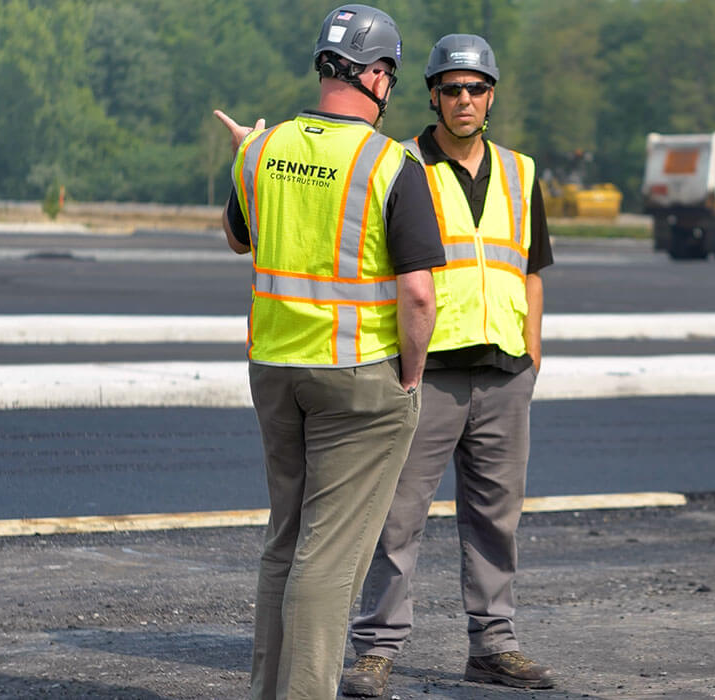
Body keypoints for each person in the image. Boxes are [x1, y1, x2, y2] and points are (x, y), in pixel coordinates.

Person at [214, 5, 445, 698]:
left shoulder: (260, 149)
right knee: (331, 552)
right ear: (375, 75)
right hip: (358, 380)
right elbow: (420, 296)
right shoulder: (391, 163)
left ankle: (268, 688)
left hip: (276, 371)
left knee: (285, 537)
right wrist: (411, 371)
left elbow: (238, 239)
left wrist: (245, 156)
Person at [341, 33, 555, 696]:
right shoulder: (396, 164)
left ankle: (494, 645)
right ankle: (375, 650)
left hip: (504, 371)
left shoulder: (521, 172)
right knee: (396, 516)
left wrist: (534, 348)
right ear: (432, 94)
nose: (465, 99)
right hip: (424, 372)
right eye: (453, 88)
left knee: (498, 516)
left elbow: (533, 269)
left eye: (477, 88)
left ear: (491, 97)